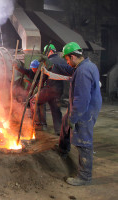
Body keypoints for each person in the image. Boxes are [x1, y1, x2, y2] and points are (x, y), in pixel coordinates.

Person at [44, 42, 102, 186]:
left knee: (83, 141)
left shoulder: (83, 71)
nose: (67, 62)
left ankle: (84, 176)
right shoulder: (86, 66)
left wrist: (74, 117)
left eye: (68, 59)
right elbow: (67, 70)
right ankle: (63, 150)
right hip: (84, 107)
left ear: (73, 56)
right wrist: (51, 67)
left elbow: (82, 98)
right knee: (65, 123)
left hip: (85, 110)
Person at [30, 44, 72, 135]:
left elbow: (44, 76)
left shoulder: (49, 62)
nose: (47, 55)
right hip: (59, 90)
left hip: (49, 89)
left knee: (34, 100)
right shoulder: (64, 61)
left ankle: (40, 125)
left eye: (47, 53)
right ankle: (58, 131)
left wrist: (37, 87)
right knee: (56, 108)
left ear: (51, 51)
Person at [14, 59, 47, 130]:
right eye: (32, 68)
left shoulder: (42, 73)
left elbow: (42, 82)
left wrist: (33, 83)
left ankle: (43, 124)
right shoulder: (30, 72)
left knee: (41, 107)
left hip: (40, 92)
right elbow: (23, 70)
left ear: (39, 68)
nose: (33, 70)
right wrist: (17, 67)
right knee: (32, 108)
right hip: (31, 92)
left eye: (35, 69)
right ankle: (36, 123)